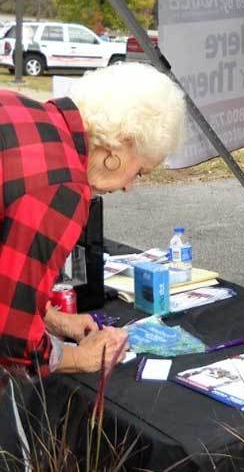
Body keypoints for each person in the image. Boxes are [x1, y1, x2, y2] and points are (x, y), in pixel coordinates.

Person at [0, 62, 185, 377]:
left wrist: (50, 316)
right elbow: (11, 339)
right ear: (120, 146)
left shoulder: (17, 106)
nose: (129, 186)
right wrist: (77, 357)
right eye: (139, 171)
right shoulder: (61, 188)